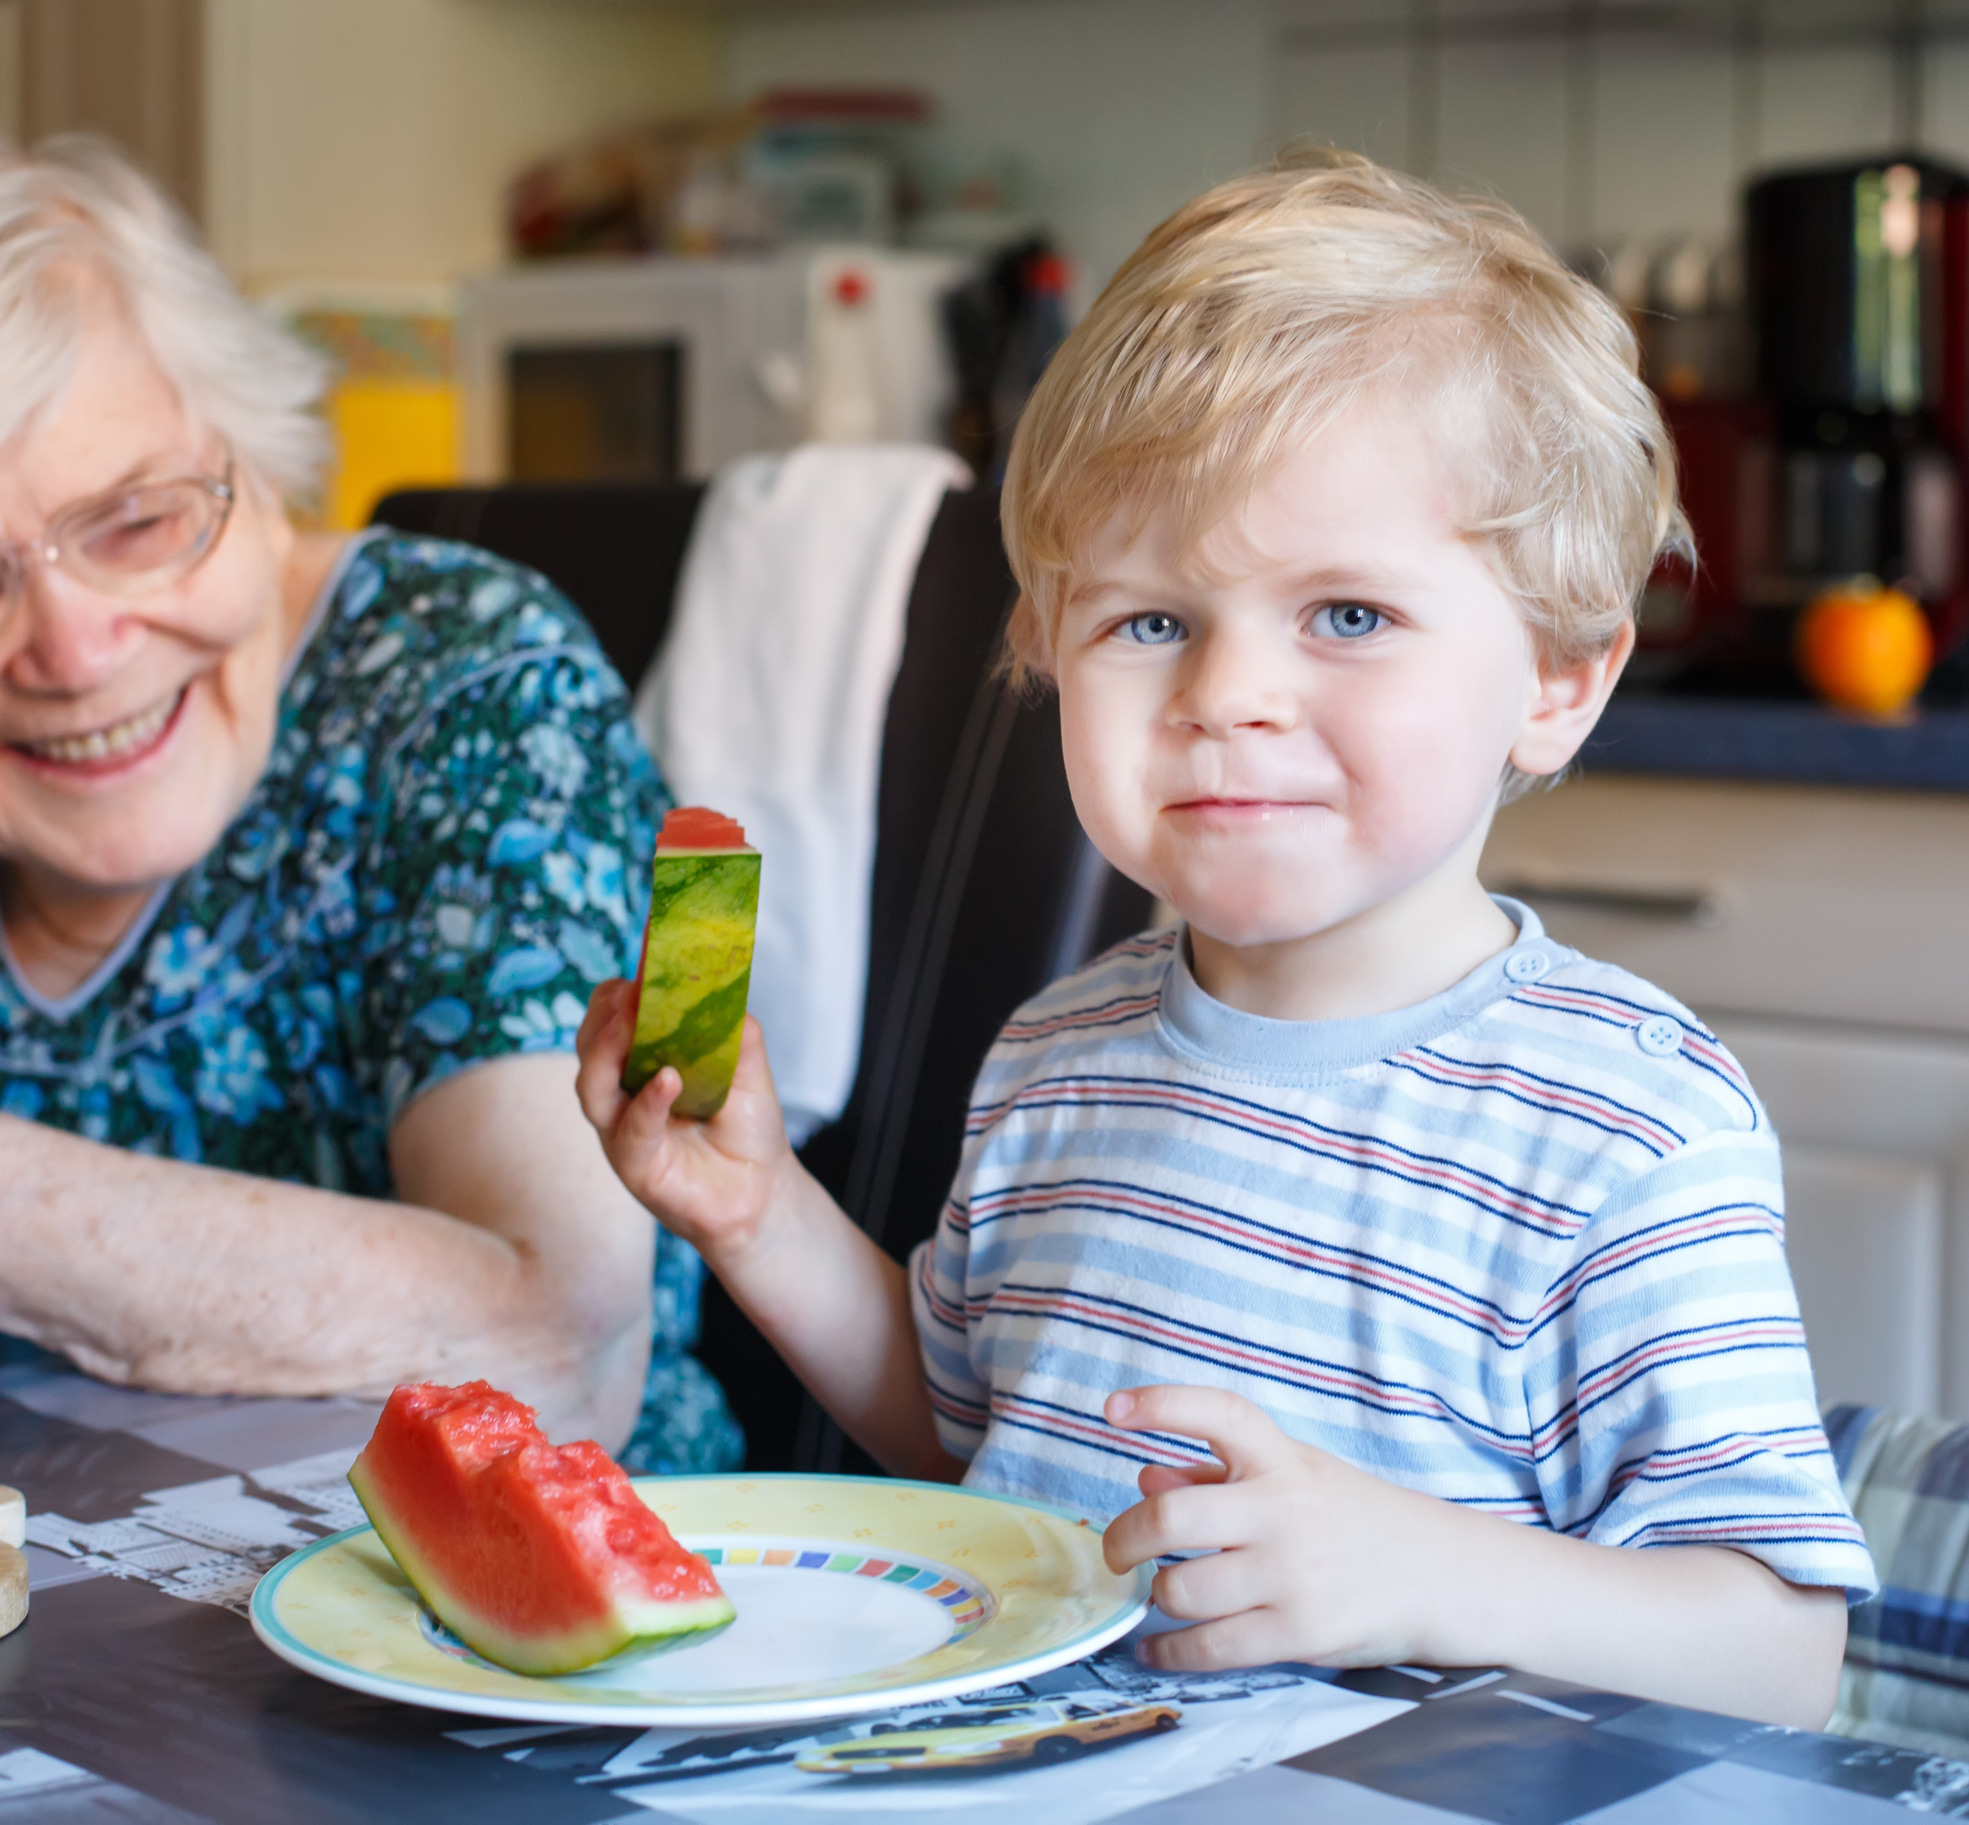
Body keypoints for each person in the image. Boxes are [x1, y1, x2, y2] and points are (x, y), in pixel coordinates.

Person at [576, 150, 1871, 1721]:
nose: (1223, 694)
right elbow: (974, 1441)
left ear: (1556, 678)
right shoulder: (1055, 1051)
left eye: (1344, 615)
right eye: (1150, 620)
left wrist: (1424, 1567)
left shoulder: (1628, 1125)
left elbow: (1783, 1652)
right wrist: (756, 1210)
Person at [0, 121, 740, 1474]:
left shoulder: (471, 685)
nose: (75, 651)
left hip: (476, 1644)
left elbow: (559, 1339)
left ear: (262, 467)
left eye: (134, 518)